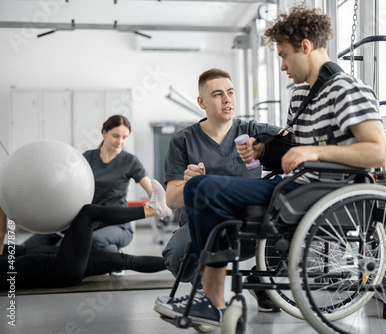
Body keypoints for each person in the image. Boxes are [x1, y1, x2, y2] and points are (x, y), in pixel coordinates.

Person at [156, 4, 386, 328]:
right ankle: (212, 301)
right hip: (294, 185)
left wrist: (315, 153)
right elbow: (291, 148)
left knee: (203, 188)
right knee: (198, 187)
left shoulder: (347, 90)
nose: (281, 66)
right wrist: (262, 150)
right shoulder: (301, 96)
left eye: (284, 56)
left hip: (321, 191)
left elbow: (379, 153)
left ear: (305, 47)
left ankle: (212, 303)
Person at [159, 68, 281, 312]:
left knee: (293, 237)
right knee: (177, 258)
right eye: (217, 94)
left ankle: (260, 279)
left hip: (249, 225)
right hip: (203, 228)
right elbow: (172, 201)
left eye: (231, 92)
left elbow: (293, 140)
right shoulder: (182, 141)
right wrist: (191, 184)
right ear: (201, 102)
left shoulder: (253, 131)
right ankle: (205, 284)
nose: (227, 99)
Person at [0, 179, 169, 290]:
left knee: (125, 260)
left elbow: (27, 250)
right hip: (62, 268)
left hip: (62, 261)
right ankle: (152, 210)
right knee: (89, 213)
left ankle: (186, 264)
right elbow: (2, 233)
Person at [23, 115, 154, 253]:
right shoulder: (87, 157)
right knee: (32, 245)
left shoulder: (130, 161)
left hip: (117, 224)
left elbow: (152, 190)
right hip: (88, 221)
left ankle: (117, 258)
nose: (120, 141)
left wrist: (161, 202)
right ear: (104, 133)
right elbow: (68, 184)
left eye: (124, 137)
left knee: (92, 242)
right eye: (116, 136)